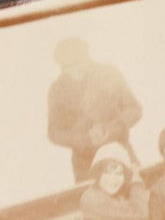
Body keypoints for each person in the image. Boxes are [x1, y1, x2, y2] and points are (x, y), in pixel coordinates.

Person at [45, 37, 143, 183]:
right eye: (69, 68)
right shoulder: (57, 89)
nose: (76, 70)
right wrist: (83, 139)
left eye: (79, 63)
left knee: (135, 198)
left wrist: (109, 129)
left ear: (87, 58)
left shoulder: (109, 73)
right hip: (85, 164)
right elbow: (53, 133)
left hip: (119, 151)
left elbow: (134, 109)